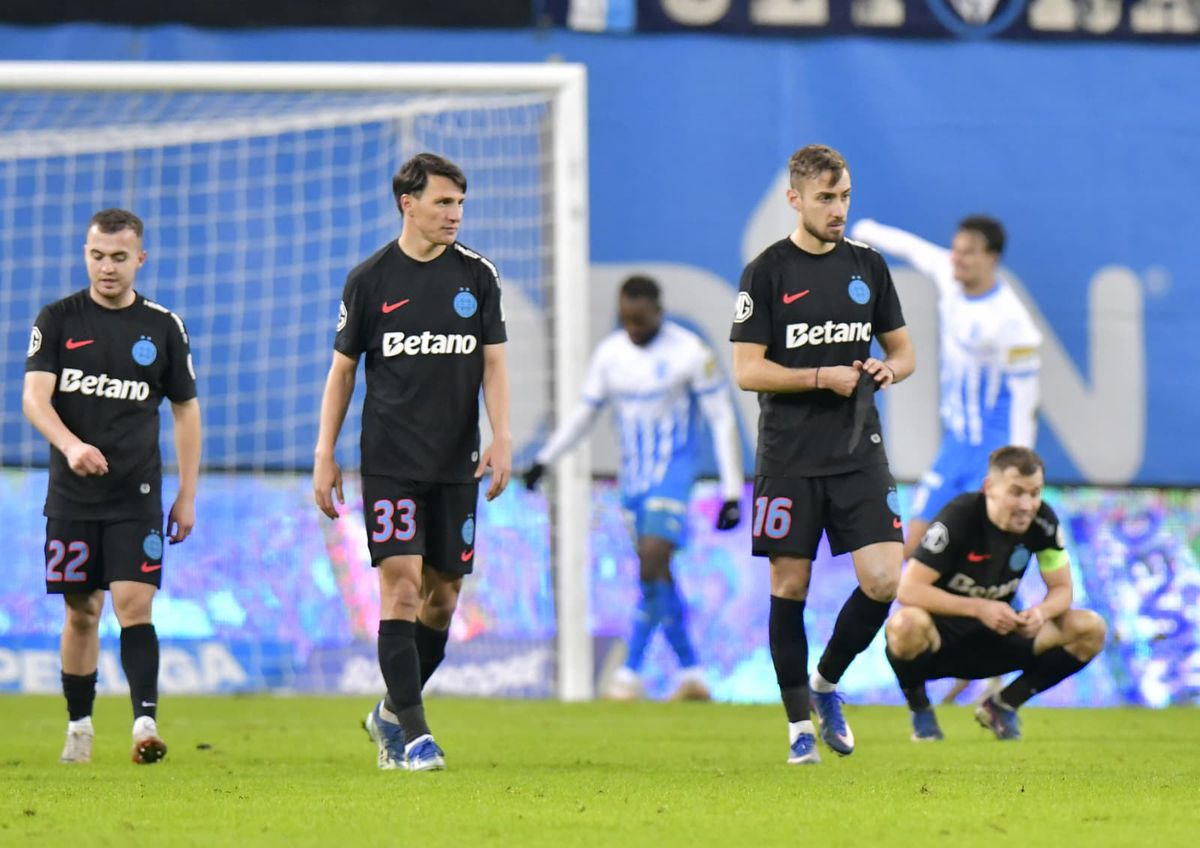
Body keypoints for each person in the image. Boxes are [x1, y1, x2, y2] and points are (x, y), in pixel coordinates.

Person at [313, 152, 511, 772]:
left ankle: (389, 714)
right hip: (392, 460)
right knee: (399, 586)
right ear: (409, 203)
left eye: (459, 204)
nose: (454, 214)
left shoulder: (477, 276)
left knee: (443, 597)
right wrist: (326, 453)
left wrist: (502, 435)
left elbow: (495, 363)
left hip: (457, 463)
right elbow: (343, 371)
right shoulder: (370, 280)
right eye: (442, 203)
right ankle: (417, 736)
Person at [730, 144, 915, 764]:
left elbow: (905, 352)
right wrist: (819, 378)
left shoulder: (869, 267)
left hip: (859, 450)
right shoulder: (767, 272)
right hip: (788, 456)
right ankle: (796, 728)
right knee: (791, 582)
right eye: (826, 199)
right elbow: (747, 369)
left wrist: (887, 370)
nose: (838, 210)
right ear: (795, 199)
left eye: (844, 198)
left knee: (886, 578)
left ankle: (826, 682)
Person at [23, 208, 201, 765]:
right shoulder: (57, 321)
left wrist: (187, 493)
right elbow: (35, 398)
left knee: (133, 604)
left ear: (139, 260)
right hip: (72, 497)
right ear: (85, 255)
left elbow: (186, 410)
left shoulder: (163, 327)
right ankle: (80, 725)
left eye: (119, 258)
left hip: (137, 495)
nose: (107, 268)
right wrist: (72, 446)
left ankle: (144, 723)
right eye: (97, 256)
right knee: (81, 611)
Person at [523, 275, 744, 701]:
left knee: (652, 559)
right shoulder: (610, 355)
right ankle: (692, 672)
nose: (634, 329)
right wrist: (545, 459)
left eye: (641, 321)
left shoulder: (690, 353)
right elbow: (583, 415)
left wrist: (732, 491)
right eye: (627, 321)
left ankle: (629, 672)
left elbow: (721, 419)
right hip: (634, 484)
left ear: (659, 312)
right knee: (655, 577)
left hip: (674, 475)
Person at [850, 215, 1040, 704]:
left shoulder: (1013, 324)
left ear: (991, 258)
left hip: (989, 459)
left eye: (968, 252)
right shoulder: (949, 277)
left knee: (989, 561)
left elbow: (1024, 403)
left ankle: (992, 663)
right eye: (955, 250)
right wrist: (865, 229)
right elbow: (913, 247)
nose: (956, 259)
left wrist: (1015, 477)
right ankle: (929, 654)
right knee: (911, 547)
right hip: (953, 448)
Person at [884, 446, 1107, 742]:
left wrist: (1040, 613)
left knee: (1090, 628)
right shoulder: (959, 517)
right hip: (941, 643)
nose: (1027, 504)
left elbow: (1063, 589)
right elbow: (908, 589)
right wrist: (979, 608)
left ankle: (1003, 705)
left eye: (1035, 492)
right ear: (989, 487)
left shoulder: (1043, 522)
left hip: (1000, 635)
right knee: (904, 625)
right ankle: (921, 711)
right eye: (1016, 492)